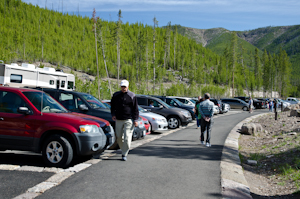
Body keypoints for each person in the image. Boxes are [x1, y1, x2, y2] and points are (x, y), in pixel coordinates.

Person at [111, 80, 139, 161]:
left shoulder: (132, 95)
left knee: (127, 137)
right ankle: (123, 149)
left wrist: (135, 119)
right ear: (120, 87)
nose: (123, 88)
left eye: (125, 87)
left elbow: (135, 109)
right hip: (119, 119)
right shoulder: (116, 95)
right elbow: (112, 106)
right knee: (119, 137)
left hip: (129, 119)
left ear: (128, 87)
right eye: (122, 87)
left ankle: (124, 153)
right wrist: (113, 115)